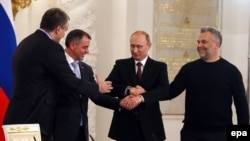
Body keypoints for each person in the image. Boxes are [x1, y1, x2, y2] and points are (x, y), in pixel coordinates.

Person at [3, 8, 124, 141]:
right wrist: (97, 87)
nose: (63, 35)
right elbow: (70, 81)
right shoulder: (50, 47)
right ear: (58, 29)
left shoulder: (25, 43)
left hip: (17, 118)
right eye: (65, 30)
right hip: (34, 120)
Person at [168, 26, 249, 141]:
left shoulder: (231, 72)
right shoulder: (188, 69)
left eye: (204, 42)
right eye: (198, 42)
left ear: (217, 44)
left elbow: (241, 106)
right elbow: (170, 92)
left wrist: (242, 136)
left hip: (221, 134)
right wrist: (146, 93)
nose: (199, 45)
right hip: (191, 133)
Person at [105, 30, 169, 141]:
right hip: (124, 124)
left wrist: (142, 96)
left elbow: (164, 90)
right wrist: (129, 90)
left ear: (149, 46)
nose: (135, 50)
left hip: (150, 125)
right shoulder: (121, 65)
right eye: (132, 46)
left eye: (139, 46)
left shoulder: (159, 67)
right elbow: (108, 87)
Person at [53, 29, 115, 141]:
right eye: (85, 47)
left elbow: (96, 95)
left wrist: (121, 103)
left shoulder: (86, 69)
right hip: (59, 131)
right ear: (72, 45)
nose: (88, 51)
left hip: (81, 131)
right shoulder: (57, 65)